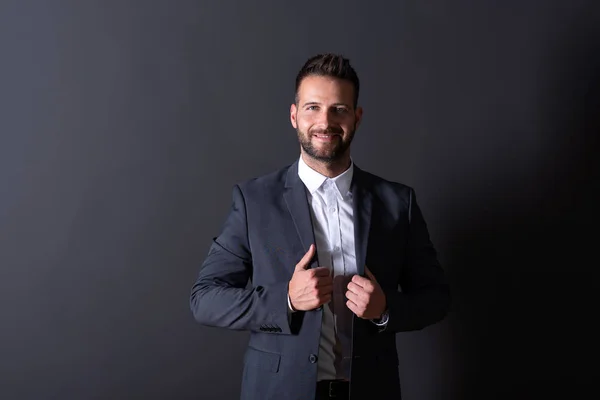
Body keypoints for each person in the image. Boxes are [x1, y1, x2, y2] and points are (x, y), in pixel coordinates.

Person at [189, 53, 451, 400]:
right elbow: (205, 299)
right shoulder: (254, 201)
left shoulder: (397, 203)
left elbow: (436, 298)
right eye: (312, 107)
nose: (324, 121)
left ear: (356, 118)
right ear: (294, 116)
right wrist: (286, 300)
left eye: (338, 109)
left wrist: (385, 310)